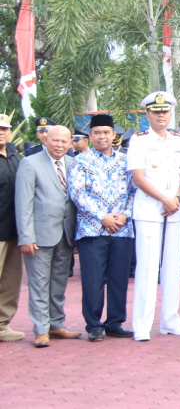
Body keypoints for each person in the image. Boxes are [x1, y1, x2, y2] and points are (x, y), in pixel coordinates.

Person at [127, 91, 180, 341]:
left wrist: (176, 198)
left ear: (171, 113)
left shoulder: (179, 140)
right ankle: (142, 325)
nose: (161, 115)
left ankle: (170, 320)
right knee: (147, 267)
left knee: (173, 267)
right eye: (156, 111)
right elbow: (138, 178)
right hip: (149, 210)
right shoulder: (139, 141)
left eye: (165, 111)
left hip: (175, 209)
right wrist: (165, 199)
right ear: (147, 114)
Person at [67, 114, 137, 342]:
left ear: (114, 135)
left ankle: (115, 322)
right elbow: (77, 193)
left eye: (106, 132)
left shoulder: (127, 161)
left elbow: (135, 191)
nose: (102, 136)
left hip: (122, 229)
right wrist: (103, 216)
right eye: (97, 132)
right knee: (93, 278)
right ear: (90, 136)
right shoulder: (80, 161)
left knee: (119, 277)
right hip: (92, 229)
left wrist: (124, 215)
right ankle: (94, 324)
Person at [15, 125, 80, 348]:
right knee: (39, 283)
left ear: (70, 143)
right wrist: (26, 236)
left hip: (65, 234)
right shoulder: (29, 163)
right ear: (45, 140)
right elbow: (23, 203)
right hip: (39, 236)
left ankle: (56, 323)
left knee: (59, 282)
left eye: (64, 141)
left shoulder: (73, 165)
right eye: (55, 140)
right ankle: (41, 330)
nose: (60, 145)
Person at [0, 114, 24, 342]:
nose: (1, 132)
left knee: (10, 280)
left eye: (5, 128)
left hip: (14, 231)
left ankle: (2, 325)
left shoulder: (16, 157)